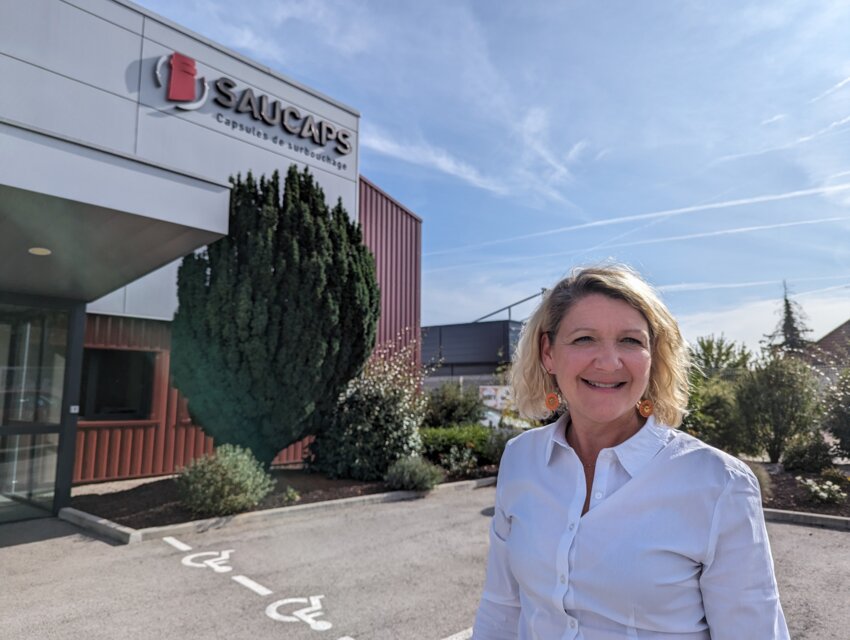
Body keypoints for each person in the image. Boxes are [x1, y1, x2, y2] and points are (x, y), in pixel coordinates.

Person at [472, 265, 789, 640]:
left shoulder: (719, 484)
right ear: (548, 353)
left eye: (630, 341)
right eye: (584, 339)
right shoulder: (521, 459)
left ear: (652, 355)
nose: (609, 362)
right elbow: (502, 609)